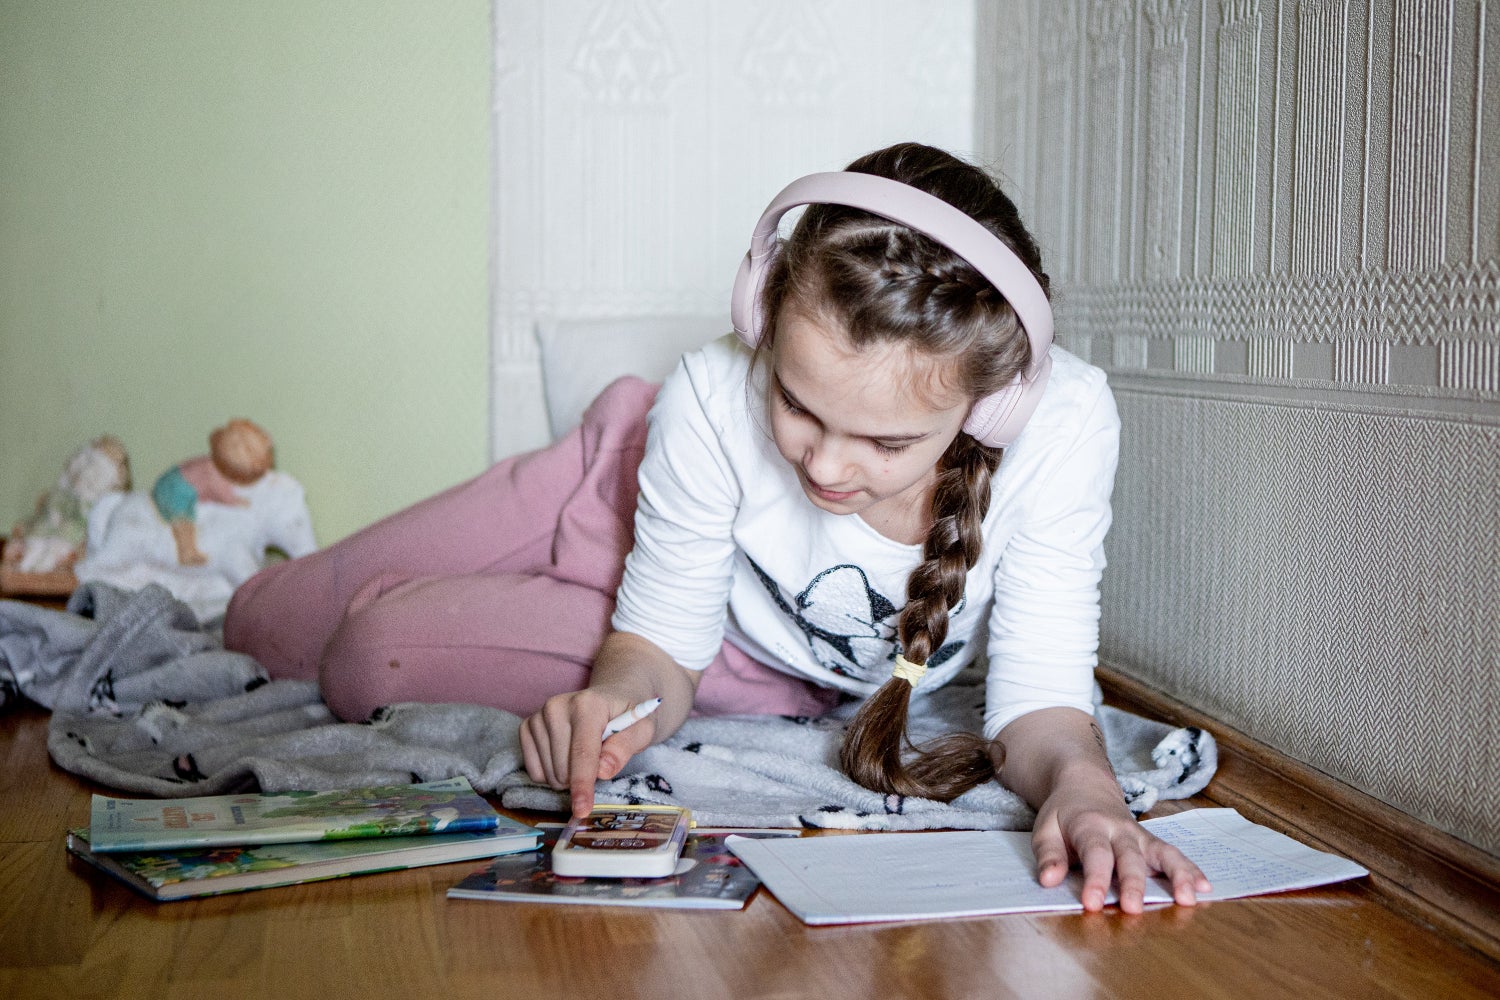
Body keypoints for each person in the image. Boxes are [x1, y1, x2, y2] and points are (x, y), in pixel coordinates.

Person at [225, 142, 1209, 913]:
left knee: (366, 661)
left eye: (883, 439)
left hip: (741, 657)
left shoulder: (1063, 422)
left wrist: (1087, 789)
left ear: (989, 408)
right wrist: (614, 686)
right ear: (761, 315)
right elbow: (654, 636)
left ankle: (489, 614)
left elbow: (1040, 698)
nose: (824, 466)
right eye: (796, 403)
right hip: (611, 487)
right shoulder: (704, 396)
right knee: (259, 629)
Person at [153, 419, 275, 565]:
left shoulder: (214, 466)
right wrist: (234, 501)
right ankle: (187, 552)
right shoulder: (215, 474)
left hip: (176, 479)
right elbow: (222, 493)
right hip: (174, 489)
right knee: (184, 521)